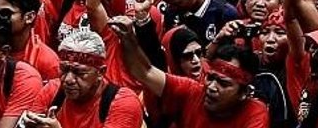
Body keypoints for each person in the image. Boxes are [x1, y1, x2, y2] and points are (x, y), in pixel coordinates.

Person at [109, 15, 269, 127]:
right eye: (211, 78)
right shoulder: (191, 92)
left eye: (223, 83)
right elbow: (145, 72)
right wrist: (128, 38)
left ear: (244, 93)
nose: (212, 87)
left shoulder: (255, 112)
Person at [25, 30, 143, 128]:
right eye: (64, 69)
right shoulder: (52, 90)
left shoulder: (122, 103)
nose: (68, 79)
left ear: (100, 73)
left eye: (79, 72)